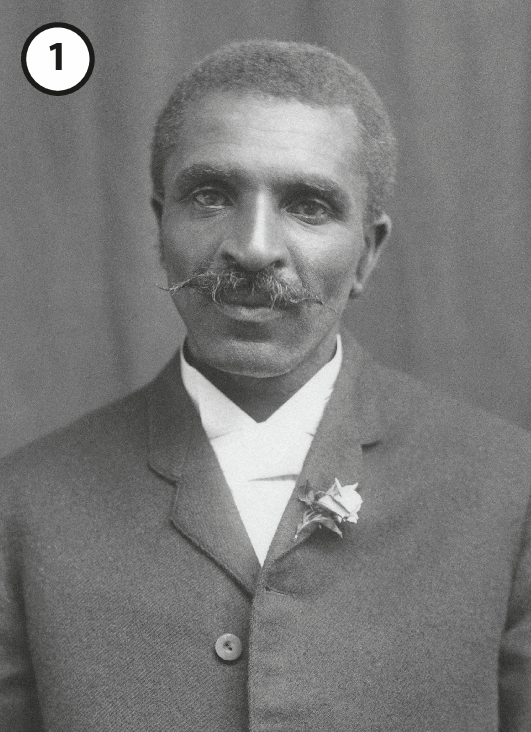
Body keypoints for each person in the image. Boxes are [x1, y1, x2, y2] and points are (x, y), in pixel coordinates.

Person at [0, 39, 529, 732]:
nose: (252, 246)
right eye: (211, 194)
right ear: (160, 224)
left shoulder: (505, 489)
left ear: (367, 253)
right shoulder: (26, 506)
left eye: (308, 205)